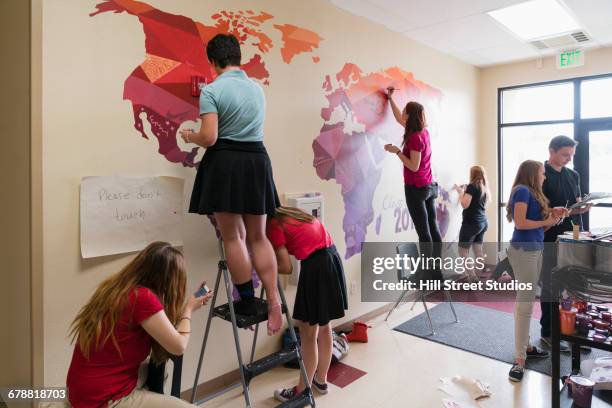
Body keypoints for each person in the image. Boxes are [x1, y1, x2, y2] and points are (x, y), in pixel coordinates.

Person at [180, 33, 282, 335]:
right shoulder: (257, 89)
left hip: (226, 162)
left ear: (212, 62)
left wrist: (190, 136)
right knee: (259, 236)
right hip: (257, 160)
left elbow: (209, 137)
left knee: (234, 237)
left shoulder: (212, 90)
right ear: (238, 57)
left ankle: (249, 301)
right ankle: (274, 300)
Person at [66, 242, 213, 407]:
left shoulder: (116, 288)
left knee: (157, 370)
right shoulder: (143, 298)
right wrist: (188, 310)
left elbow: (162, 330)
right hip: (100, 398)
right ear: (167, 280)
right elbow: (178, 347)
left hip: (80, 388)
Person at [266, 207, 348, 403]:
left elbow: (286, 266)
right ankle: (321, 381)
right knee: (324, 326)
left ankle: (301, 391)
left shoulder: (273, 225)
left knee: (308, 333)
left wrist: (261, 264)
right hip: (331, 257)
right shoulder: (292, 213)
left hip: (317, 267)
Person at [505, 161, 568, 382]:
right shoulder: (521, 190)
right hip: (524, 252)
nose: (545, 177)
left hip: (536, 250)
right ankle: (519, 360)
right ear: (533, 173)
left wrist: (554, 218)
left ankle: (526, 347)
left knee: (527, 301)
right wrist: (547, 219)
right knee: (524, 304)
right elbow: (521, 223)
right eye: (542, 173)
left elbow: (541, 226)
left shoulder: (533, 193)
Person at [383, 87, 442, 280]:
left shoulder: (415, 138)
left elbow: (413, 166)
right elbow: (399, 118)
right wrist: (390, 99)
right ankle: (435, 271)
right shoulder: (422, 131)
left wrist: (396, 151)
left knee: (424, 232)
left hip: (417, 188)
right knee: (432, 228)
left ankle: (426, 272)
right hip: (428, 186)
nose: (403, 115)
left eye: (406, 112)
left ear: (411, 116)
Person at [539, 135, 591, 350]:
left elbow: (577, 204)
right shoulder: (540, 174)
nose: (569, 159)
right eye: (564, 155)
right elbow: (538, 208)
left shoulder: (573, 174)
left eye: (571, 155)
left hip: (574, 234)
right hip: (550, 235)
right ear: (551, 151)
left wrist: (584, 207)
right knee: (551, 285)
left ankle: (573, 331)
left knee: (576, 284)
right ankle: (548, 332)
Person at [453, 165, 490, 282]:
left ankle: (473, 278)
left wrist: (460, 192)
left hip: (471, 224)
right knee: (478, 249)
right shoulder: (483, 187)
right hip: (482, 223)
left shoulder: (472, 186)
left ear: (472, 174)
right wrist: (465, 190)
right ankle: (480, 274)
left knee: (463, 252)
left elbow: (465, 204)